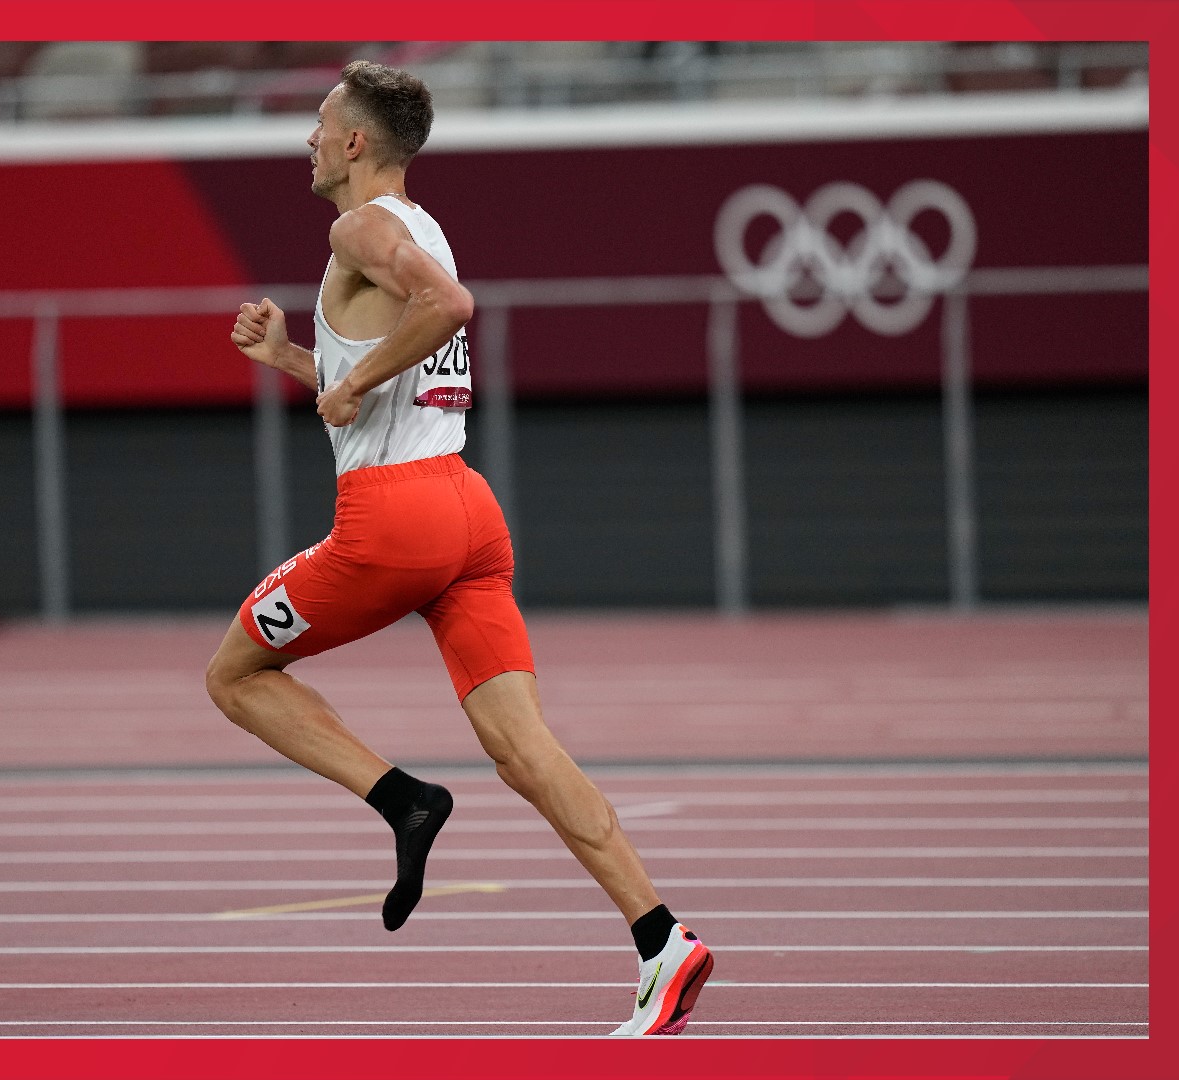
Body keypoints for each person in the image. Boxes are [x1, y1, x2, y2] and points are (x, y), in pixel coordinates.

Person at [205, 60, 711, 1037]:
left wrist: (349, 388)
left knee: (234, 674)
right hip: (466, 515)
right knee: (526, 750)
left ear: (357, 143)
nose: (306, 141)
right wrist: (301, 365)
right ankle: (662, 938)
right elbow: (381, 376)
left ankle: (402, 801)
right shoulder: (421, 223)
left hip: (393, 522)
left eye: (319, 126)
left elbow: (448, 307)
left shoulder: (360, 226)